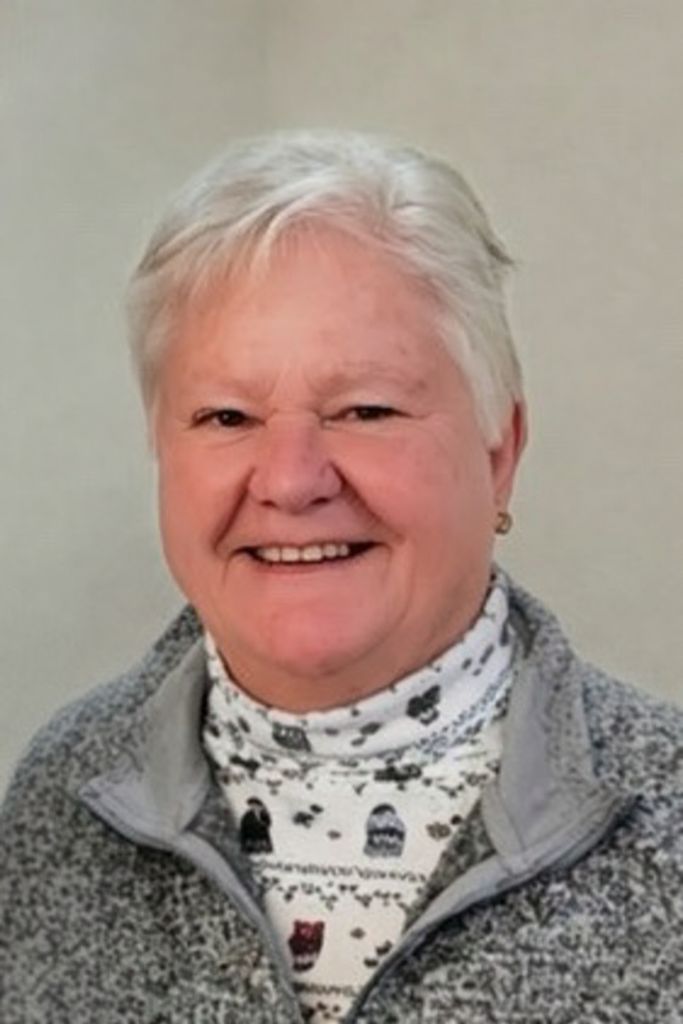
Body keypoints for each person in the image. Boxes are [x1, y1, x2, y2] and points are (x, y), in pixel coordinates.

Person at [1, 131, 681, 1024]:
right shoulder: (59, 794)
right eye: (226, 416)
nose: (290, 480)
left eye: (365, 409)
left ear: (498, 453)